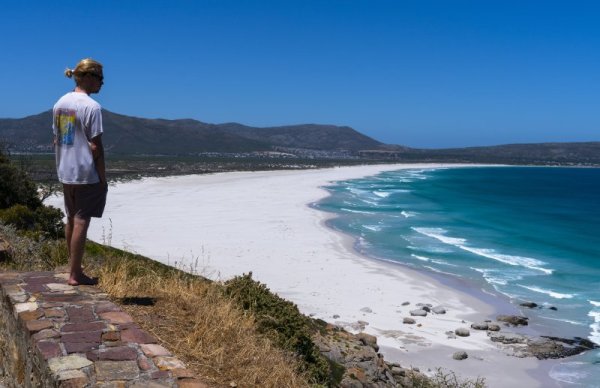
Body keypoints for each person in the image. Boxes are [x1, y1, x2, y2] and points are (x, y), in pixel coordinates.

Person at [52, 58, 107, 286]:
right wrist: (102, 177)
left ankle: (73, 267)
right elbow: (95, 146)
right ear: (86, 76)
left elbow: (59, 139)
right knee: (82, 221)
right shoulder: (91, 107)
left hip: (66, 170)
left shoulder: (60, 103)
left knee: (71, 219)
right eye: (99, 78)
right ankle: (75, 274)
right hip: (85, 173)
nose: (102, 83)